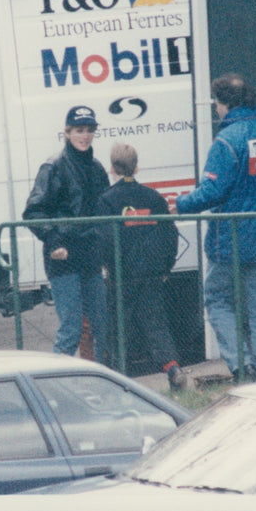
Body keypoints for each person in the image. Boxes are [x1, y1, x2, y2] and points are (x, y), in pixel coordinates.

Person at [174, 74, 256, 383]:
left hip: (231, 242)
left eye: (216, 103)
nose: (215, 109)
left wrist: (180, 204)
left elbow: (211, 192)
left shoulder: (227, 141)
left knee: (217, 300)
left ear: (224, 103)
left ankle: (242, 367)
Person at [23, 106, 111, 364]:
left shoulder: (96, 168)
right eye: (79, 131)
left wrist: (104, 248)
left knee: (102, 326)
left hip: (91, 256)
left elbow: (104, 212)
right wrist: (53, 241)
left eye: (89, 131)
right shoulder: (53, 166)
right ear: (67, 133)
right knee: (71, 328)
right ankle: (54, 384)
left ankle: (102, 383)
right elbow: (33, 211)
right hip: (63, 257)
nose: (85, 136)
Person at [96, 143, 188, 391]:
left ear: (112, 169)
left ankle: (119, 381)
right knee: (155, 323)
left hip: (121, 276)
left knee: (118, 326)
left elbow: (104, 240)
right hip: (152, 274)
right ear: (137, 167)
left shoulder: (106, 201)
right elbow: (170, 236)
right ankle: (173, 369)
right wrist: (166, 267)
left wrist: (108, 267)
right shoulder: (154, 198)